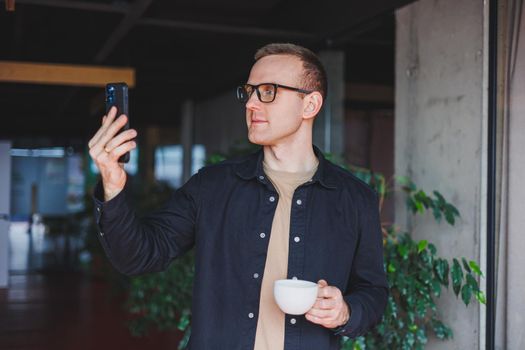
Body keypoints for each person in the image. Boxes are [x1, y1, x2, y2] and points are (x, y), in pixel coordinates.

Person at [88, 43, 389, 350]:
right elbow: (139, 255)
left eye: (268, 91)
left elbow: (373, 292)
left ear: (309, 105)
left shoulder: (355, 199)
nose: (251, 104)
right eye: (250, 92)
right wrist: (112, 186)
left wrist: (345, 312)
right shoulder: (212, 186)